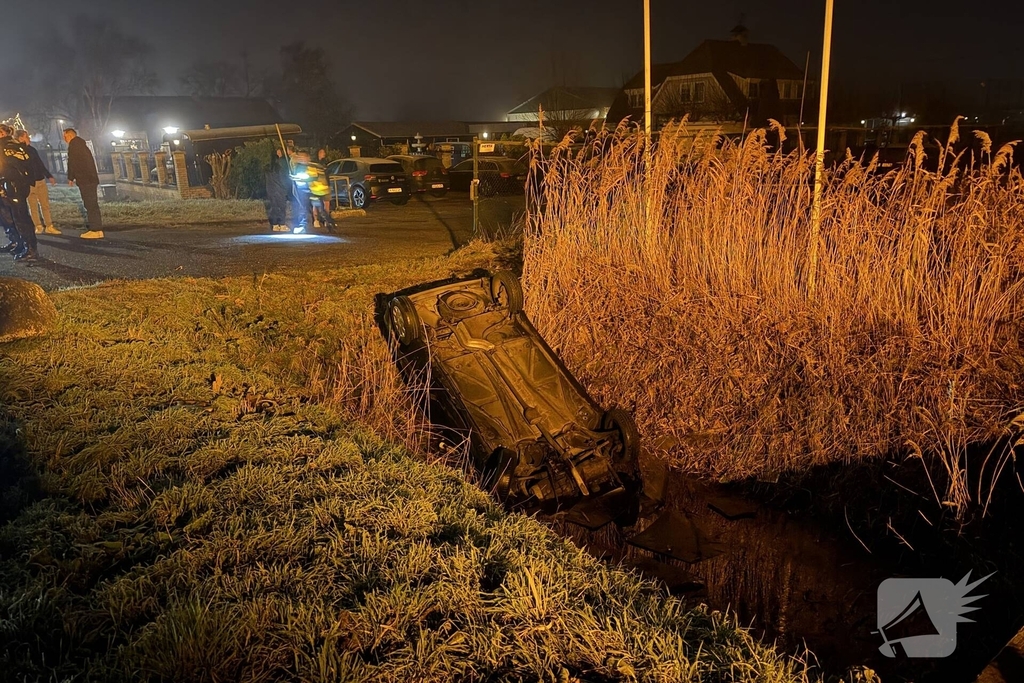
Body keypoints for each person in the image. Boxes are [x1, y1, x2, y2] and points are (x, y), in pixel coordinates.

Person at [0, 124, 40, 262]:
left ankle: (30, 249)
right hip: (14, 185)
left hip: (14, 186)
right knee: (12, 217)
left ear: (3, 133)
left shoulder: (7, 147)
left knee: (20, 218)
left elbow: (9, 168)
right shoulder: (15, 145)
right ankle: (21, 244)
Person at [15, 130, 59, 235]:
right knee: (33, 206)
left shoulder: (32, 150)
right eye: (26, 136)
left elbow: (39, 164)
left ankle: (49, 225)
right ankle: (38, 225)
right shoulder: (19, 152)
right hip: (29, 182)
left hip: (40, 180)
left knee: (45, 204)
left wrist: (49, 176)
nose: (29, 138)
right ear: (20, 138)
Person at [63, 127, 103, 239]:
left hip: (85, 179)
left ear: (70, 135)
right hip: (90, 179)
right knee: (93, 204)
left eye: (65, 136)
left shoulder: (74, 146)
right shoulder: (82, 144)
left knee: (89, 204)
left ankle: (95, 229)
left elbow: (72, 163)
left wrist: (70, 177)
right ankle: (98, 229)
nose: (64, 139)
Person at [266, 148, 290, 232]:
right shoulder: (281, 166)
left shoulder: (269, 168)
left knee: (274, 207)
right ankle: (282, 224)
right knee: (281, 207)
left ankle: (275, 224)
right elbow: (284, 178)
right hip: (279, 189)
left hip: (271, 190)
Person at [316, 148, 331, 215]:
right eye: (322, 152)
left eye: (324, 152)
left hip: (325, 185)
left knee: (326, 203)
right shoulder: (315, 163)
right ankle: (317, 219)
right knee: (317, 203)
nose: (324, 154)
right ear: (319, 153)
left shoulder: (325, 163)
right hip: (317, 186)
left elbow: (327, 173)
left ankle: (326, 219)